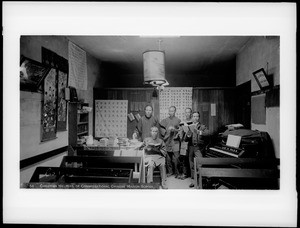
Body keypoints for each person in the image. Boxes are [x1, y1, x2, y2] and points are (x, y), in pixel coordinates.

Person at [185, 111, 209, 188]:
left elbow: (208, 133)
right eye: (194, 116)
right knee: (191, 165)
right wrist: (188, 135)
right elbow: (185, 139)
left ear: (199, 117)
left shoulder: (202, 126)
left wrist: (198, 132)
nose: (195, 118)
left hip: (198, 148)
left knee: (200, 164)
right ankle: (193, 181)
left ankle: (200, 181)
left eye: (197, 116)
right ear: (192, 117)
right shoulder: (189, 126)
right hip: (191, 147)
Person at [160, 106, 181, 178]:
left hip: (175, 141)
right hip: (167, 141)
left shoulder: (178, 120)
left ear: (175, 112)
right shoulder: (165, 120)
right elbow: (161, 128)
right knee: (168, 158)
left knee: (176, 158)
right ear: (168, 112)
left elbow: (180, 130)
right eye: (170, 111)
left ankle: (177, 172)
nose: (171, 112)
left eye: (173, 111)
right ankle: (170, 171)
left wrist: (174, 130)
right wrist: (166, 133)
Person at [178, 107, 193, 180]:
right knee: (184, 158)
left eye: (189, 112)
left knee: (191, 159)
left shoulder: (193, 121)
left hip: (191, 142)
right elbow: (180, 131)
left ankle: (192, 174)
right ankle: (184, 173)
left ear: (191, 113)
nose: (187, 114)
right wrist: (180, 135)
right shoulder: (182, 122)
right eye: (186, 112)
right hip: (184, 142)